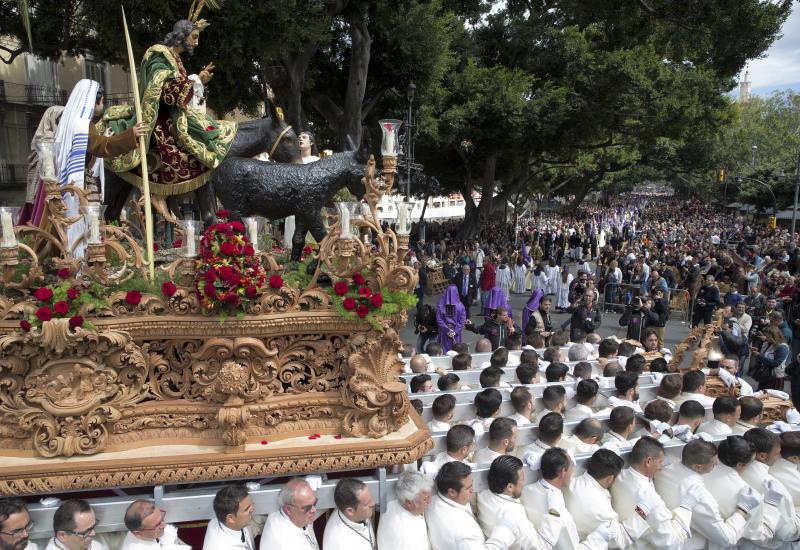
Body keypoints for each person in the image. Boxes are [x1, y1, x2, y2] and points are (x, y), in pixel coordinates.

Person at [99, 18, 237, 193]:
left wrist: (195, 81)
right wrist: (195, 82)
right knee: (182, 146)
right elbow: (161, 88)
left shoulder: (175, 58)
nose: (196, 42)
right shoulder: (158, 54)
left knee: (208, 131)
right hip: (158, 114)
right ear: (182, 36)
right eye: (194, 37)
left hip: (174, 112)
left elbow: (177, 85)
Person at [54, 80, 147, 255]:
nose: (103, 105)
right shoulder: (82, 124)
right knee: (84, 225)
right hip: (79, 185)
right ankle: (81, 261)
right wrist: (130, 135)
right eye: (102, 100)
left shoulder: (74, 121)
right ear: (93, 100)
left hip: (76, 181)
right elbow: (100, 146)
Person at [655, 439, 756, 548]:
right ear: (698, 467)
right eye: (713, 464)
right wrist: (742, 510)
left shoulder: (663, 470)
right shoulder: (701, 497)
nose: (717, 464)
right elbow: (726, 539)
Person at [610, 437, 696, 549]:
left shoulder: (619, 476)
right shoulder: (652, 502)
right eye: (660, 462)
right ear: (648, 461)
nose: (661, 467)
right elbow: (672, 544)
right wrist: (686, 509)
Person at [521, 448, 614, 549]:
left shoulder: (525, 490)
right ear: (562, 472)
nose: (573, 471)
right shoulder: (562, 518)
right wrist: (599, 537)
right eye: (571, 467)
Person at [704, 434, 784, 547]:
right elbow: (761, 536)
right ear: (740, 464)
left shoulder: (700, 474)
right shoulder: (748, 495)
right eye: (751, 462)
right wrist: (770, 505)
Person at [565, 449, 653, 547]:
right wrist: (642, 512)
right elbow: (621, 540)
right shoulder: (603, 512)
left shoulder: (571, 482)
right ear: (610, 479)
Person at [476, 455, 564, 549]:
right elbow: (542, 546)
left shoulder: (482, 494)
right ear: (510, 487)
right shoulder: (515, 517)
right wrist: (555, 511)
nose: (524, 483)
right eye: (522, 480)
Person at [425, 461, 517, 550]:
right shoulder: (465, 533)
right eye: (468, 488)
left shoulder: (431, 501)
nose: (472, 490)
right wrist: (503, 533)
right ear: (452, 492)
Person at [740, 428, 799, 544]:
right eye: (777, 454)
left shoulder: (737, 470)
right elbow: (787, 532)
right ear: (762, 456)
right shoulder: (773, 485)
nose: (778, 458)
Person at [21, 105, 64, 226]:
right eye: (61, 119)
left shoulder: (63, 140)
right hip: (46, 186)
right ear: (52, 120)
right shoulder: (44, 142)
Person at [377, 472, 434, 550]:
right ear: (408, 503)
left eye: (429, 496)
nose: (430, 501)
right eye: (425, 499)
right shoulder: (408, 540)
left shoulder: (393, 501)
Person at [259, 478, 319, 550]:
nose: (314, 510)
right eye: (307, 508)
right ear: (288, 509)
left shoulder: (296, 514)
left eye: (315, 503)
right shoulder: (285, 543)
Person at [323, 479, 376, 550]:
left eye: (371, 499)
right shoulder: (342, 544)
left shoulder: (352, 512)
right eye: (367, 503)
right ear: (350, 511)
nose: (373, 504)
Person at [202, 485, 255, 549]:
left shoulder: (222, 521)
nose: (252, 509)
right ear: (230, 518)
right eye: (247, 509)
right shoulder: (222, 547)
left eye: (251, 504)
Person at [121, 500, 189, 549]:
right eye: (157, 525)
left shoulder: (148, 534)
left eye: (161, 518)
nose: (164, 525)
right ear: (138, 534)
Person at [750, 324, 789, 391]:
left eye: (768, 337)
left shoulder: (783, 347)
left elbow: (776, 363)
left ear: (774, 337)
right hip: (766, 375)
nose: (766, 338)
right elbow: (768, 355)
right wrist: (758, 351)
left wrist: (759, 355)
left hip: (774, 377)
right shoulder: (771, 344)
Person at [436, 285, 468, 354]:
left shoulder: (440, 305)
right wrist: (455, 331)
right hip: (456, 334)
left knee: (444, 352)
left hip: (445, 333)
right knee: (457, 351)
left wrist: (447, 330)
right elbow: (462, 321)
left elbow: (439, 320)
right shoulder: (461, 306)